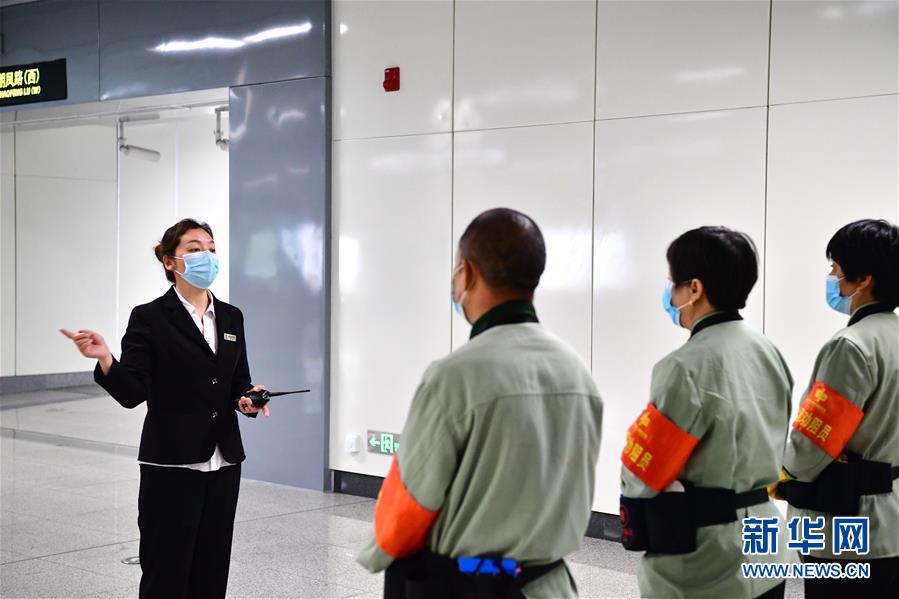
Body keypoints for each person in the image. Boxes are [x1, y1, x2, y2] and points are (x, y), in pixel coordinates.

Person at [357, 208, 603, 599]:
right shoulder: (576, 372)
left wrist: (381, 551)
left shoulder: (454, 377)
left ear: (468, 273)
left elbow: (409, 503)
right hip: (551, 586)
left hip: (470, 586)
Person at [60, 218, 269, 599]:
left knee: (212, 571)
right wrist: (106, 358)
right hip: (171, 466)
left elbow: (238, 380)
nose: (207, 256)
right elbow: (131, 392)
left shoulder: (231, 317)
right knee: (166, 573)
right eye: (194, 248)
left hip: (223, 463)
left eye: (211, 248)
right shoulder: (150, 317)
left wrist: (249, 399)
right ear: (170, 261)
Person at [618, 226, 795, 598]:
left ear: (694, 289)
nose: (670, 294)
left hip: (708, 560)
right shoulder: (768, 352)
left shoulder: (683, 367)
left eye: (673, 284)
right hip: (766, 544)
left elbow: (644, 474)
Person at [776, 219, 899, 597]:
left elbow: (814, 442)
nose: (832, 278)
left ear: (863, 279)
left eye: (836, 269)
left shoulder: (852, 345)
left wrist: (783, 472)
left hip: (847, 526)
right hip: (891, 522)